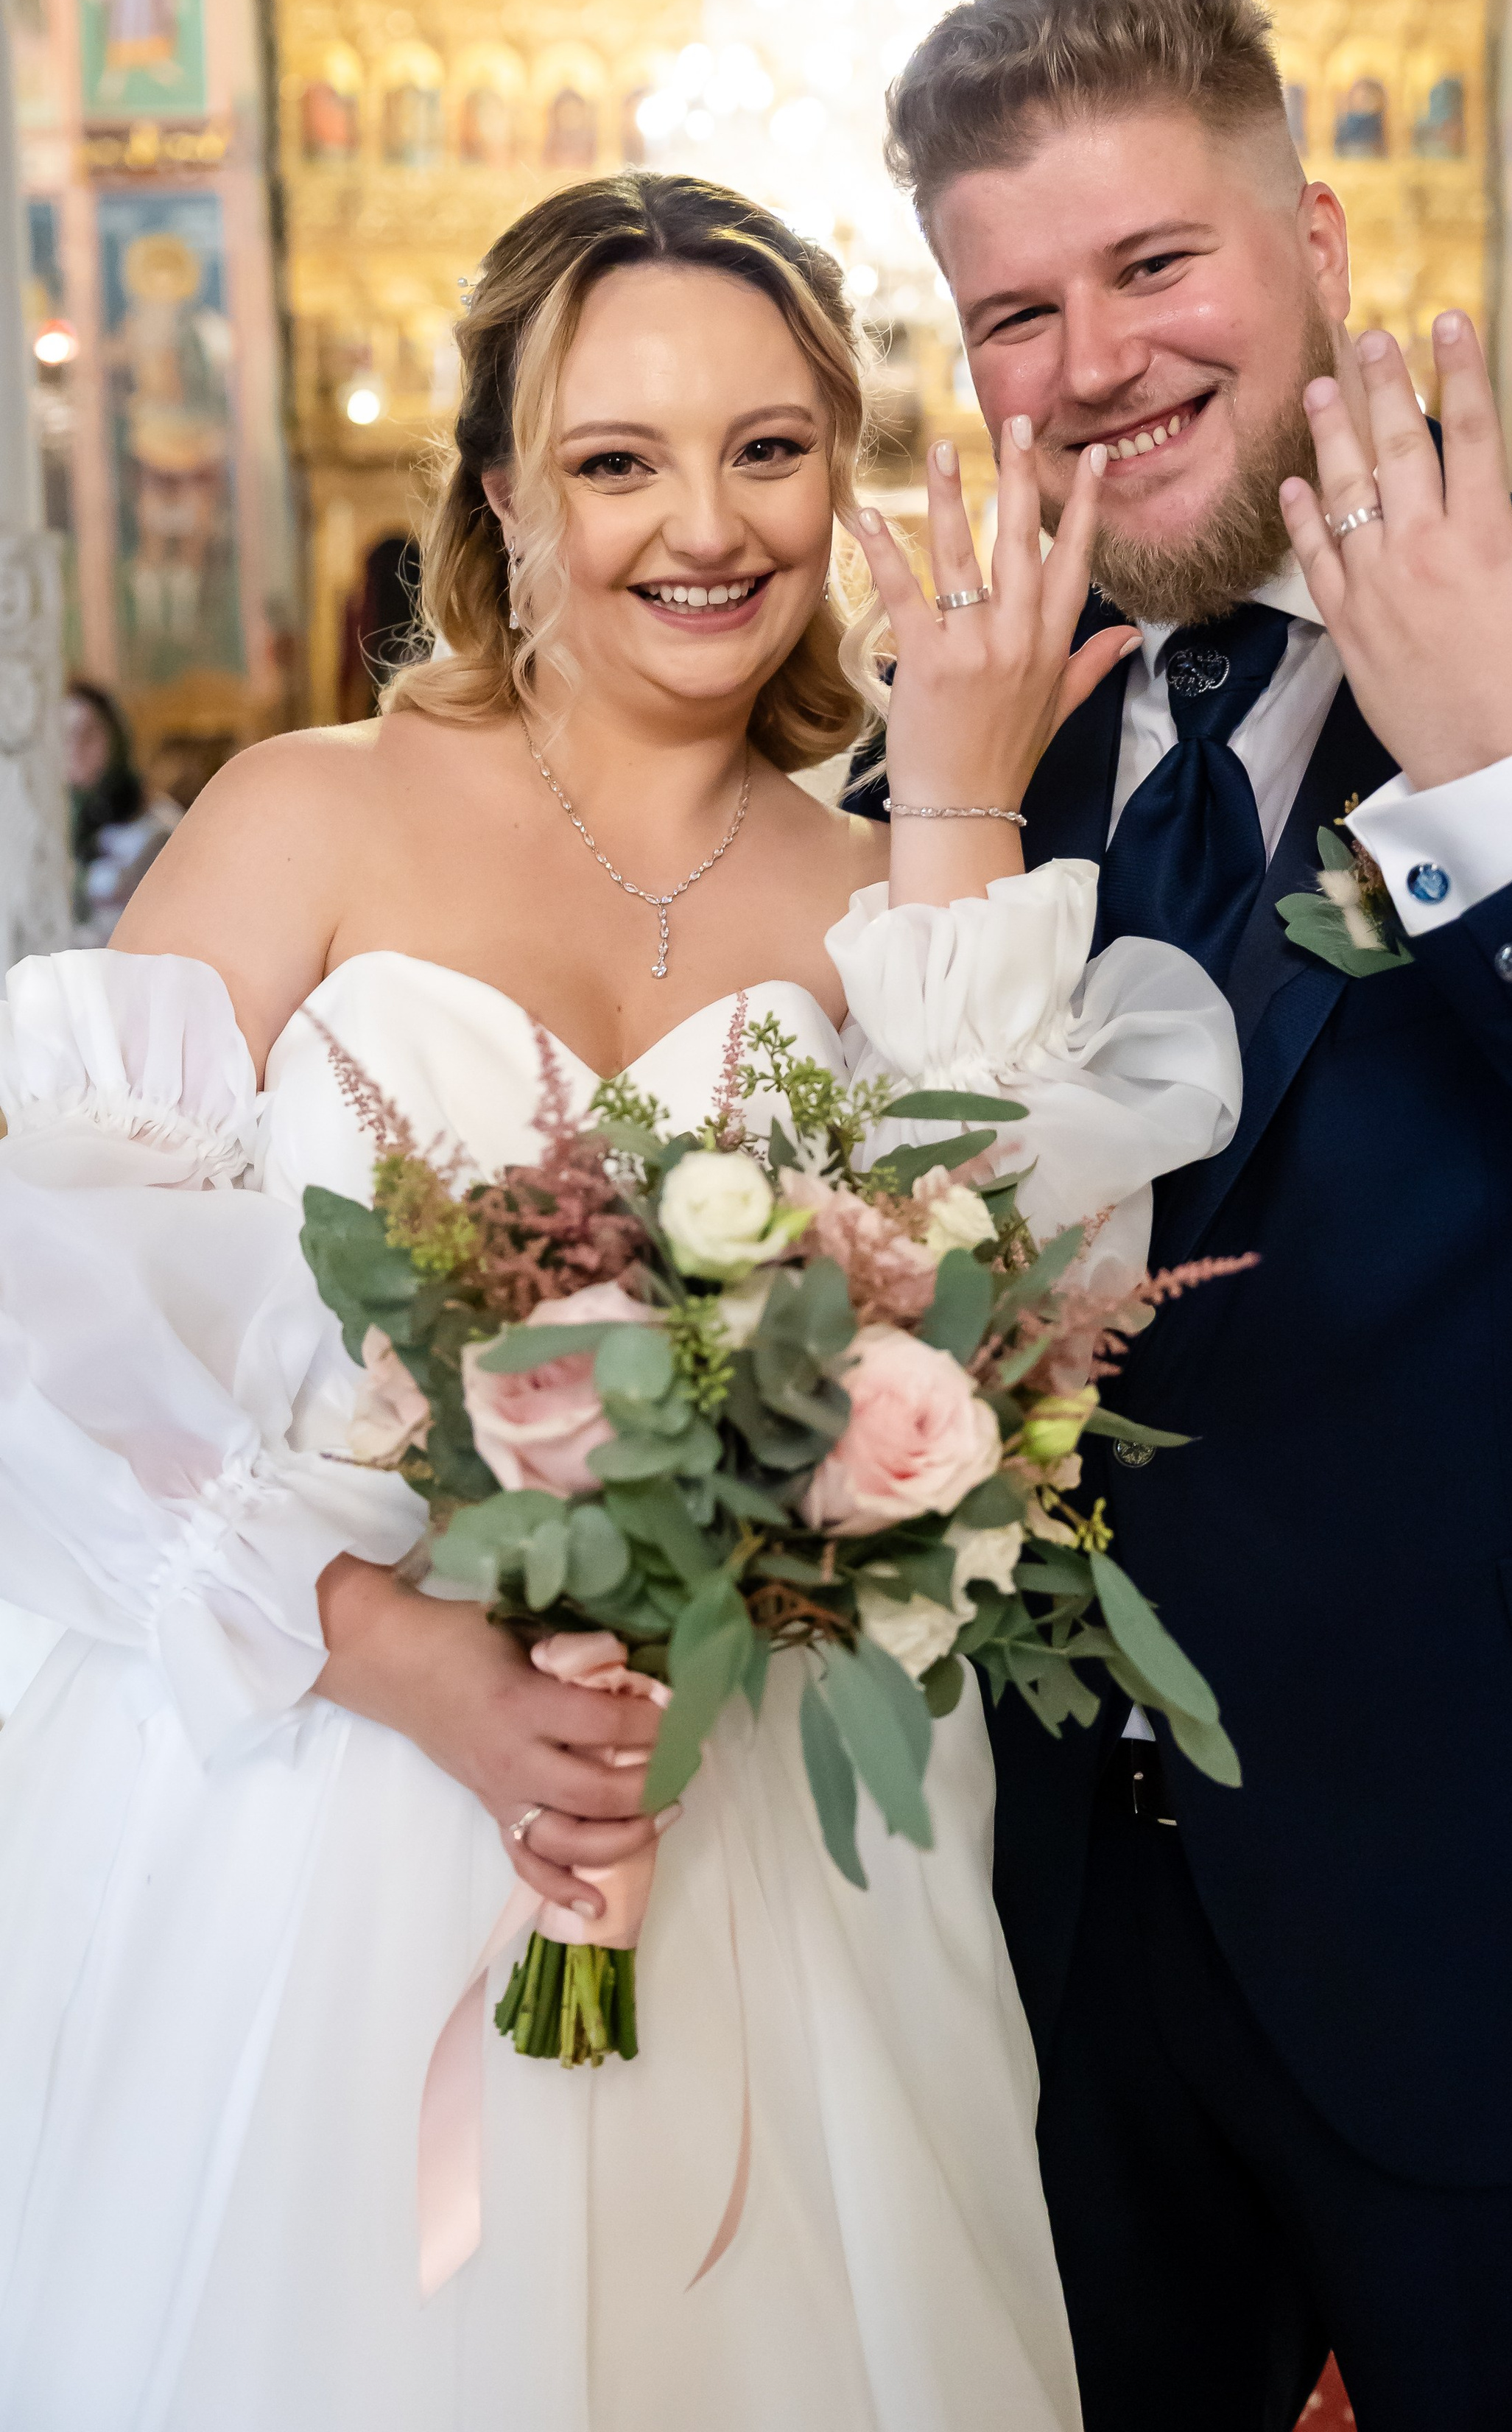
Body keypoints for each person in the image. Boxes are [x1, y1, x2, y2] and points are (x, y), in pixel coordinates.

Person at [0, 171, 1240, 2428]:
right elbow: (52, 1330)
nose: (708, 525)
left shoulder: (887, 886)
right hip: (323, 1815)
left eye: (771, 449)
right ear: (501, 495)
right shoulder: (305, 816)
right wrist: (402, 1656)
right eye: (616, 457)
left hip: (766, 1850)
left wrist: (961, 810)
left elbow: (1015, 1335)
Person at [860, 0, 1512, 2429]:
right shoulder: (955, 751)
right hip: (1056, 1952)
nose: (1094, 362)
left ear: (1314, 240)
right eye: (1016, 315)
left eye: (1154, 264)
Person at [63, 675, 180, 943]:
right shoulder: (49, 829)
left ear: (114, 738)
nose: (75, 748)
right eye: (64, 736)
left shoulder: (158, 827)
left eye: (88, 734)